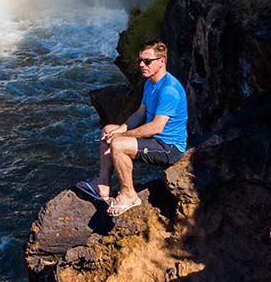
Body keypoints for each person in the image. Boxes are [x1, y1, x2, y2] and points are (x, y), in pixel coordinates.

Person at [76, 40, 188, 216]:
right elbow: (140, 113)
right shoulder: (150, 83)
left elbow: (156, 127)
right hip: (155, 141)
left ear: (162, 61)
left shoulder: (169, 90)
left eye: (147, 61)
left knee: (119, 145)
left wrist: (123, 136)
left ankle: (129, 195)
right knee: (108, 130)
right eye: (140, 61)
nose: (142, 65)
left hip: (169, 147)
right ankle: (103, 185)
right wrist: (119, 129)